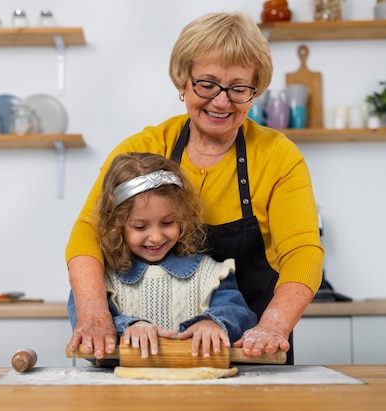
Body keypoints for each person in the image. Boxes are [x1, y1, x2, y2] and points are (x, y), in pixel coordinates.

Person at [65, 11, 323, 364]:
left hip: (250, 350)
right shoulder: (145, 148)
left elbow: (303, 254)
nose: (222, 101)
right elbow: (88, 232)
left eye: (238, 88)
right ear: (183, 82)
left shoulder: (277, 156)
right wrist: (95, 315)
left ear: (255, 91)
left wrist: (273, 327)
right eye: (207, 84)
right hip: (148, 356)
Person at [67, 153, 257, 364]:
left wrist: (213, 324)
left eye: (167, 223)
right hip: (122, 394)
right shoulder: (101, 282)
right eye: (140, 226)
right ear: (116, 225)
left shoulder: (211, 275)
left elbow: (239, 314)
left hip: (198, 394)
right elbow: (93, 344)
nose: (156, 236)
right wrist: (129, 329)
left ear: (183, 218)